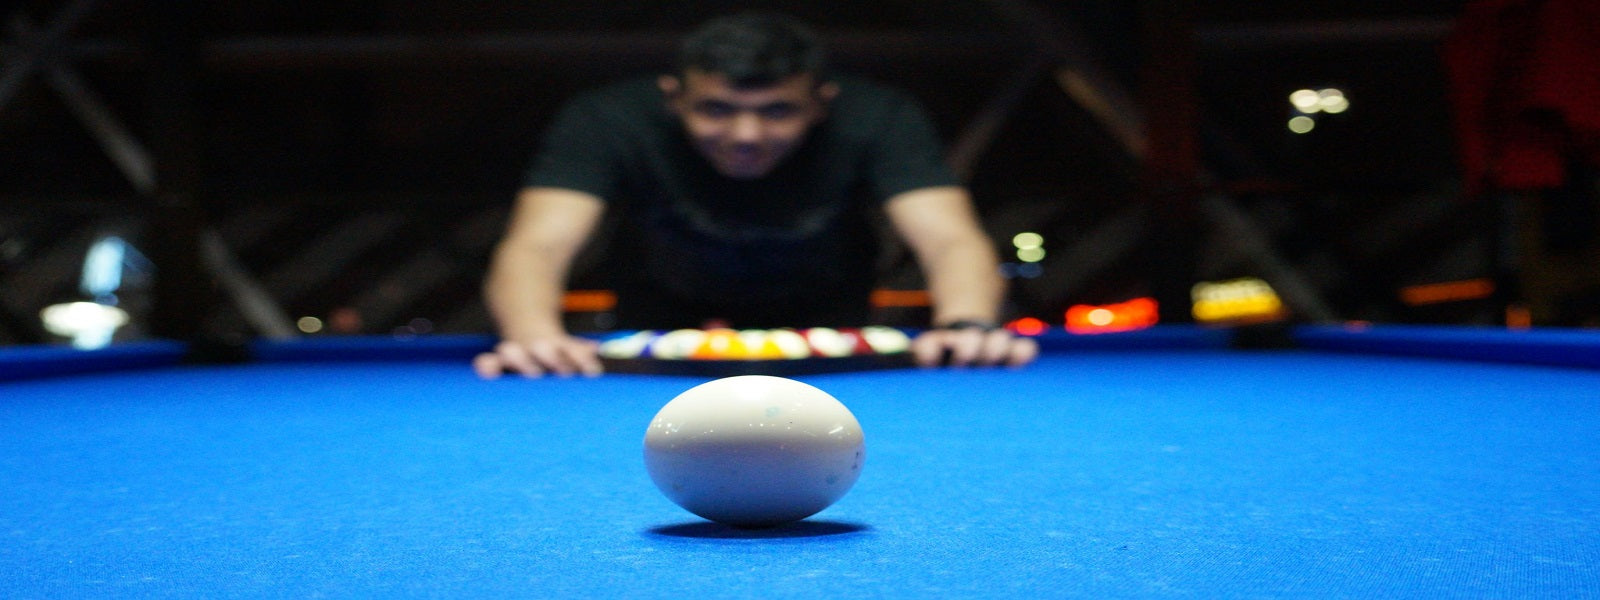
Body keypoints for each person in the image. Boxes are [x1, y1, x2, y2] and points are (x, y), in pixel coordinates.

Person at [474, 12, 1038, 378]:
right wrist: (533, 337)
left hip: (831, 339)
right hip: (659, 337)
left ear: (821, 102)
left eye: (778, 111)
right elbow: (538, 244)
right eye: (716, 110)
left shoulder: (878, 118)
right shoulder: (608, 119)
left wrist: (967, 323)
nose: (746, 137)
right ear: (674, 99)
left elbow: (947, 237)